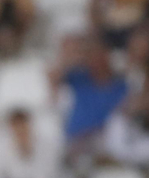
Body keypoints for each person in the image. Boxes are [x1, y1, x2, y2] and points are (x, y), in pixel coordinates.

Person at [50, 34, 129, 162]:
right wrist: (72, 56)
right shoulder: (79, 78)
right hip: (77, 138)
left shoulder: (121, 85)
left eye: (100, 55)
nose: (96, 61)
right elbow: (53, 77)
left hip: (103, 138)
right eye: (92, 56)